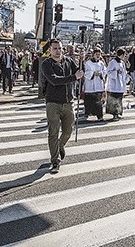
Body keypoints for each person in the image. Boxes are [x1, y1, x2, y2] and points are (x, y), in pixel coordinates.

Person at [41, 38, 84, 174]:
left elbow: (79, 72)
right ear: (50, 50)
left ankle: (59, 146)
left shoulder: (68, 61)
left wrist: (82, 63)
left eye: (59, 48)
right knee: (53, 132)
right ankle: (55, 161)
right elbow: (54, 80)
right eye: (55, 48)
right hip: (53, 102)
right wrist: (73, 77)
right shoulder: (46, 64)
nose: (58, 51)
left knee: (68, 131)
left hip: (68, 102)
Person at [83, 48, 106, 122]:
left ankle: (99, 116)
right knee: (89, 100)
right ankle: (88, 113)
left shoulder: (101, 63)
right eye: (96, 54)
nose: (98, 56)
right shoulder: (88, 63)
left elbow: (105, 71)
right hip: (90, 84)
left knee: (98, 101)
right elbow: (85, 72)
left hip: (98, 83)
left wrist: (101, 73)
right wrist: (93, 73)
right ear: (93, 55)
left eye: (99, 54)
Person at [106, 47, 128, 120]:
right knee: (114, 100)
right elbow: (108, 72)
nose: (124, 56)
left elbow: (124, 72)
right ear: (120, 55)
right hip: (114, 84)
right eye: (123, 55)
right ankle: (114, 114)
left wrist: (126, 78)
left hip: (120, 83)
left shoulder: (122, 62)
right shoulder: (112, 62)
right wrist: (116, 72)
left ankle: (119, 113)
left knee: (119, 100)